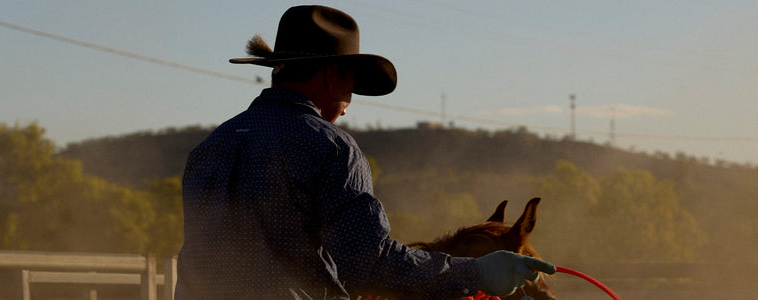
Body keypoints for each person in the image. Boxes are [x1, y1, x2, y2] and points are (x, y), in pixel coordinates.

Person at [175, 5, 555, 300]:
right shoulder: (330, 147)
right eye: (351, 86)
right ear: (332, 75)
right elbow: (367, 263)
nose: (348, 103)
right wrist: (476, 274)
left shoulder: (211, 146)